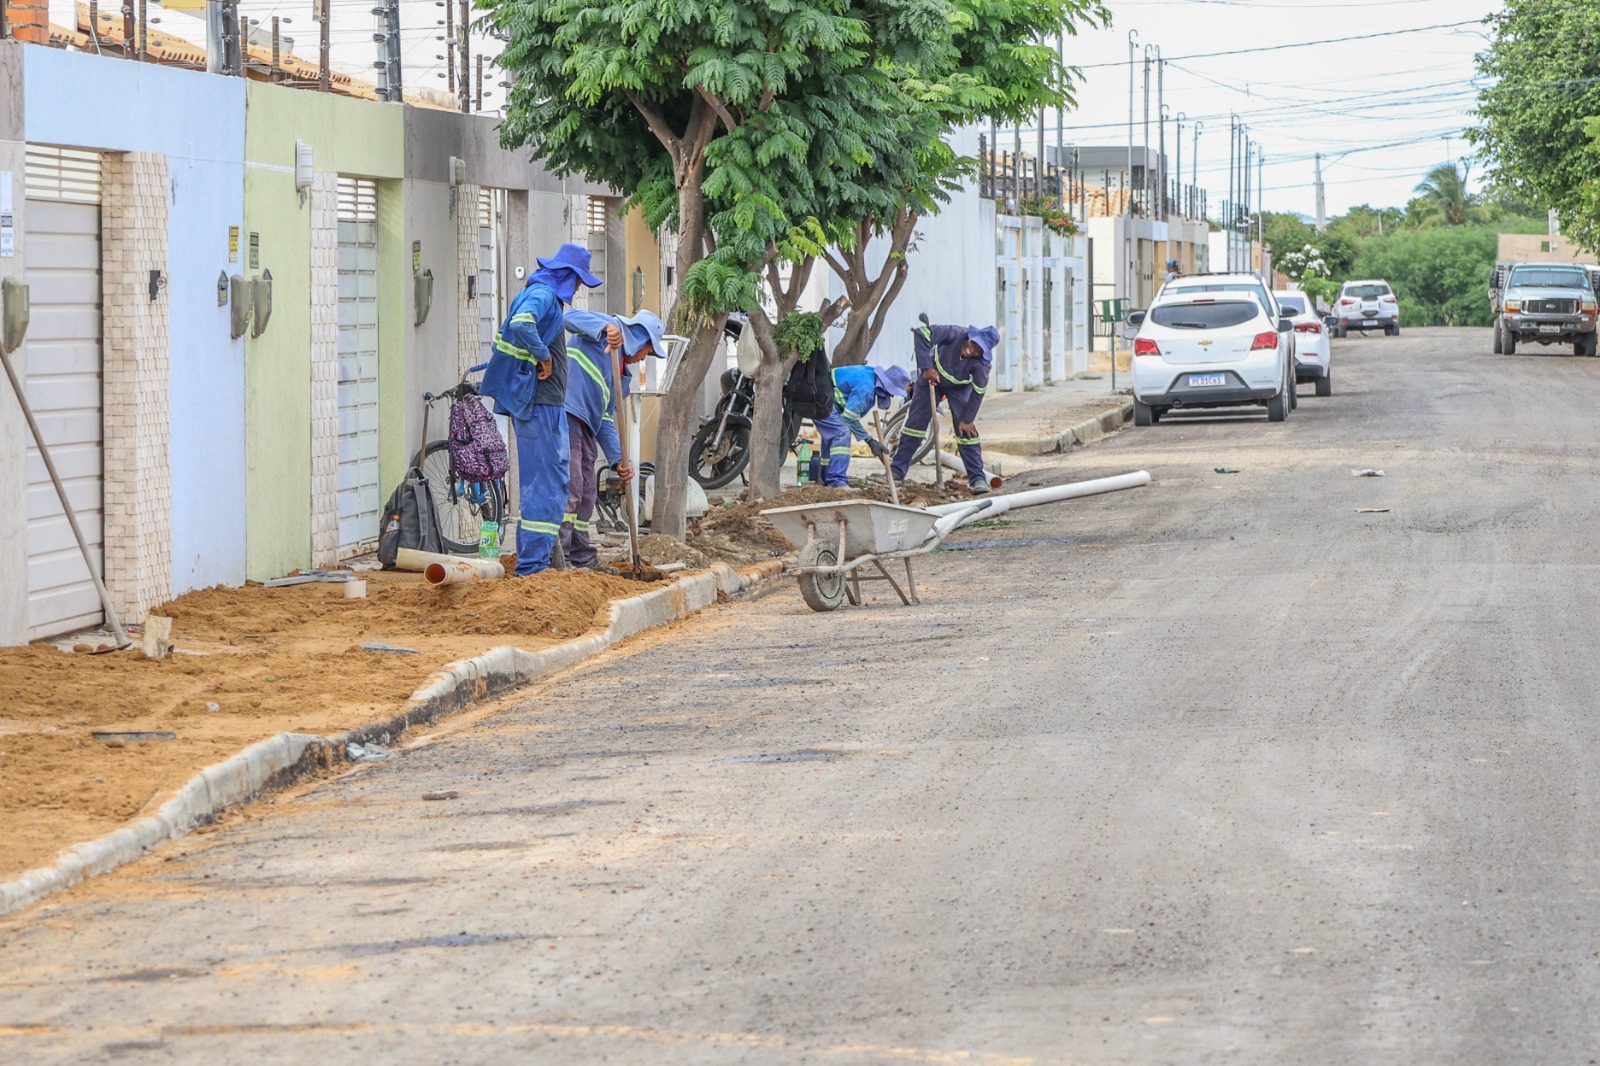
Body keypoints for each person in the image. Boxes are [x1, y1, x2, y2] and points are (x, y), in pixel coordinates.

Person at [479, 243, 602, 576]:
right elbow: (521, 323)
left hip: (545, 405)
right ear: (568, 275)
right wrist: (543, 356)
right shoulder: (543, 294)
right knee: (545, 484)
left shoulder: (545, 295)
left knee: (552, 482)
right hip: (539, 403)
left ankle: (538, 562)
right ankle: (532, 568)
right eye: (578, 281)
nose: (578, 289)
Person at [560, 307, 666, 571]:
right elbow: (568, 318)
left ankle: (581, 555)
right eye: (648, 352)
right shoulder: (608, 328)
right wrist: (605, 329)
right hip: (567, 411)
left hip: (587, 424)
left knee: (586, 490)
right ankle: (558, 557)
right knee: (572, 485)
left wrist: (618, 458)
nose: (644, 358)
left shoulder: (621, 376)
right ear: (640, 340)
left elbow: (607, 418)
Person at [890, 322, 1000, 495]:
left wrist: (967, 419)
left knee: (966, 432)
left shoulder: (982, 366)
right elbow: (922, 333)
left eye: (978, 351)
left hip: (959, 388)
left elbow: (978, 393)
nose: (972, 350)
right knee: (915, 424)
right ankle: (896, 471)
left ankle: (977, 478)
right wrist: (927, 368)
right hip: (931, 378)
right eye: (973, 344)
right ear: (970, 337)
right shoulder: (954, 334)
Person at [812, 363, 913, 487]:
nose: (892, 395)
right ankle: (836, 481)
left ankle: (827, 477)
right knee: (841, 432)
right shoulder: (866, 388)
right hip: (821, 398)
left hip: (821, 396)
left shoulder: (871, 374)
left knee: (834, 437)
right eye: (892, 391)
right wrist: (871, 441)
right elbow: (849, 418)